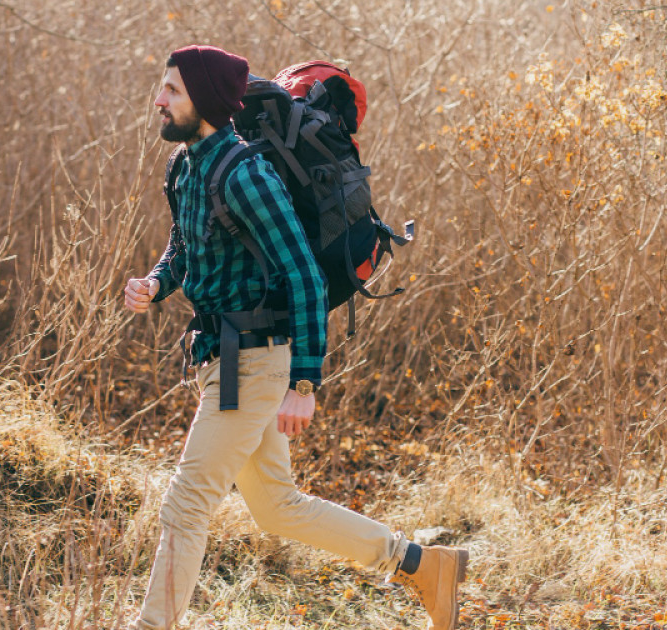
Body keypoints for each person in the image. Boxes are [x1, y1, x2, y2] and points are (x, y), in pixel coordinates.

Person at [123, 44, 467, 630]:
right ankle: (422, 566)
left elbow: (304, 274)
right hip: (224, 357)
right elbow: (185, 246)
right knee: (276, 506)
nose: (158, 99)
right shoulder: (184, 166)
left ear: (204, 100)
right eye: (163, 88)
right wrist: (157, 282)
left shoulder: (246, 172)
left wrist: (304, 380)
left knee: (186, 502)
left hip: (256, 358)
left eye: (173, 91)